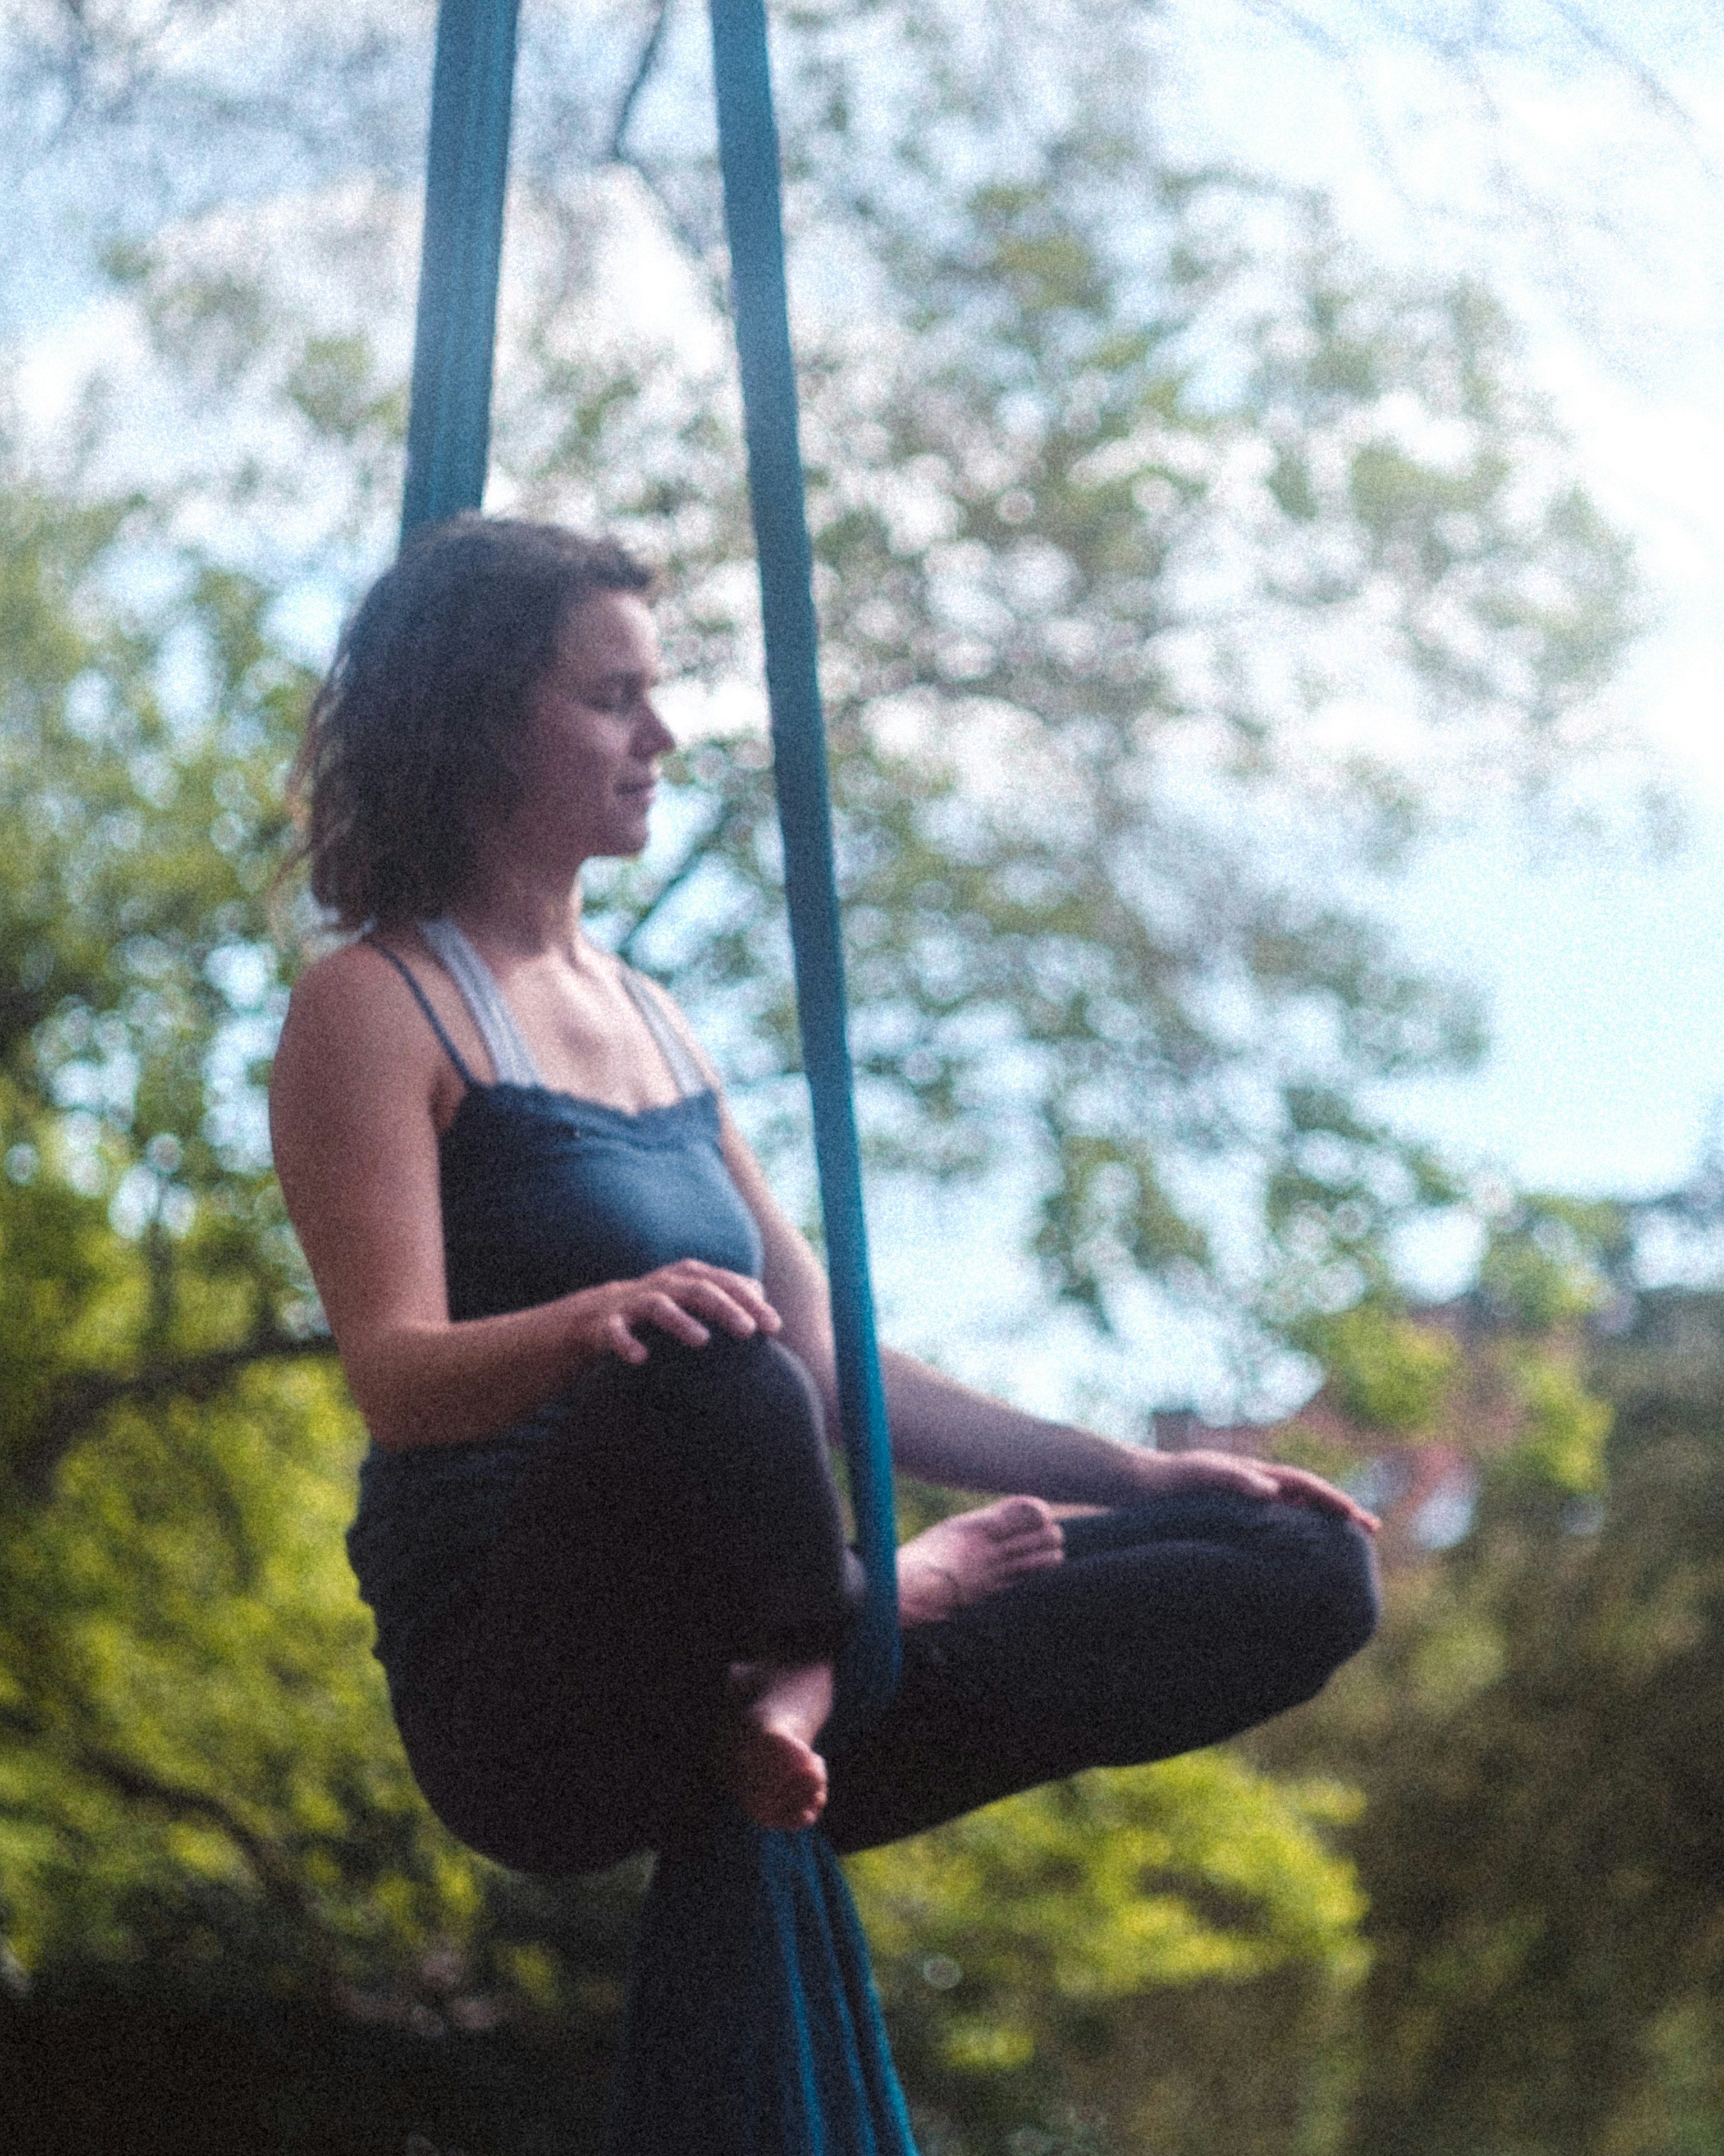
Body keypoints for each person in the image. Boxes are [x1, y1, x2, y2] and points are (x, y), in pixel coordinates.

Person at [266, 516, 1378, 1876]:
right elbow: (396, 1378)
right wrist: (598, 1319)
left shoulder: (649, 1016)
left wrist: (1134, 1472)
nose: (661, 736)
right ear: (483, 725)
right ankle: (862, 1620)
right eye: (614, 699)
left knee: (1298, 1561)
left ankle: (801, 1703)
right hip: (537, 1702)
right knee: (712, 1363)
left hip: (738, 1688)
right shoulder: (375, 1007)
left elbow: (832, 1366)